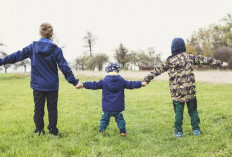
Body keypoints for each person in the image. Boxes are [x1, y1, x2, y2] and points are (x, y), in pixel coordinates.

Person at [0, 22, 79, 135]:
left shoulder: (33, 47)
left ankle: (39, 130)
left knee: (38, 109)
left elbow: (16, 56)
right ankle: (53, 131)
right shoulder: (56, 50)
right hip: (52, 86)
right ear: (52, 34)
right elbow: (64, 67)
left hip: (38, 86)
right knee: (52, 109)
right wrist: (74, 82)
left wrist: (1, 61)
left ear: (40, 33)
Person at [143, 37, 228, 138]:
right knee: (193, 111)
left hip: (177, 94)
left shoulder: (169, 61)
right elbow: (204, 60)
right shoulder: (188, 57)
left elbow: (157, 70)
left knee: (178, 113)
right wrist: (220, 63)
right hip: (190, 92)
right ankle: (196, 130)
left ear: (172, 48)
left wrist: (146, 79)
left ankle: (178, 132)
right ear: (183, 47)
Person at [76, 62, 147, 136]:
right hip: (118, 107)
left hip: (107, 107)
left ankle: (101, 131)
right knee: (120, 120)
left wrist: (83, 84)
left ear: (107, 70)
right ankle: (123, 132)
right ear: (117, 70)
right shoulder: (121, 80)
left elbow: (94, 85)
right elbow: (131, 84)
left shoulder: (104, 81)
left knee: (104, 120)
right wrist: (141, 83)